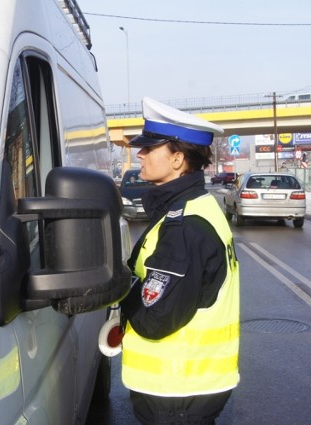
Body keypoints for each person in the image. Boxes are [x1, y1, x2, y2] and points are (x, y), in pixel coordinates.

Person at [120, 97, 240, 425]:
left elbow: (155, 319)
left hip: (177, 389)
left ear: (177, 159)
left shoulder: (183, 225)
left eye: (149, 148)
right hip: (188, 387)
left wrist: (120, 290)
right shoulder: (196, 206)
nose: (140, 153)